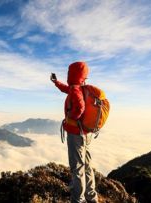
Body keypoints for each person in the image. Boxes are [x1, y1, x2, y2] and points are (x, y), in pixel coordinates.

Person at [50, 61, 98, 203]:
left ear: (73, 73)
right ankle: (91, 196)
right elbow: (67, 89)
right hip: (85, 133)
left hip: (76, 134)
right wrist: (56, 82)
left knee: (77, 167)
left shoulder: (76, 89)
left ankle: (78, 199)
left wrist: (71, 118)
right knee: (87, 165)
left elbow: (80, 107)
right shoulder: (81, 88)